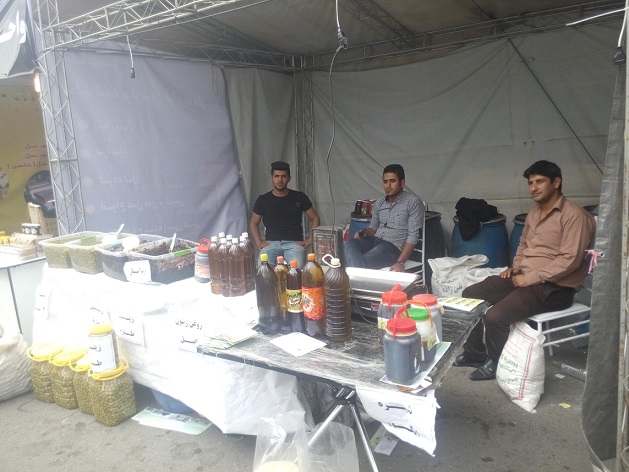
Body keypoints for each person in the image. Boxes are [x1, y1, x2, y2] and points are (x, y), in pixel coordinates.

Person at [454, 160, 596, 381]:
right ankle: (474, 354)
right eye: (530, 183)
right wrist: (517, 267)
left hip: (555, 288)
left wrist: (531, 277)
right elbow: (523, 245)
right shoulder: (534, 214)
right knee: (469, 296)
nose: (533, 188)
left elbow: (570, 259)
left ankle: (496, 362)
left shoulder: (575, 216)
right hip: (525, 278)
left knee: (495, 316)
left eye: (540, 182)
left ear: (556, 182)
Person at [344, 164, 424, 272]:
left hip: (392, 247)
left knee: (358, 260)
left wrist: (400, 262)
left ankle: (354, 278)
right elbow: (373, 229)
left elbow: (413, 236)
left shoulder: (413, 202)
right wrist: (364, 232)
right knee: (349, 244)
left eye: (392, 181)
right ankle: (358, 275)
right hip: (373, 241)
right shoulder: (379, 203)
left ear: (402, 183)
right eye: (385, 182)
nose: (388, 186)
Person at [249, 161, 320, 268]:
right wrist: (259, 242)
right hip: (271, 244)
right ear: (271, 178)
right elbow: (253, 223)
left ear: (289, 178)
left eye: (283, 176)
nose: (280, 180)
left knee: (297, 270)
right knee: (263, 269)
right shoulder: (263, 200)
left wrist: (310, 239)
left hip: (294, 244)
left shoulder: (299, 197)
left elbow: (315, 217)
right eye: (276, 176)